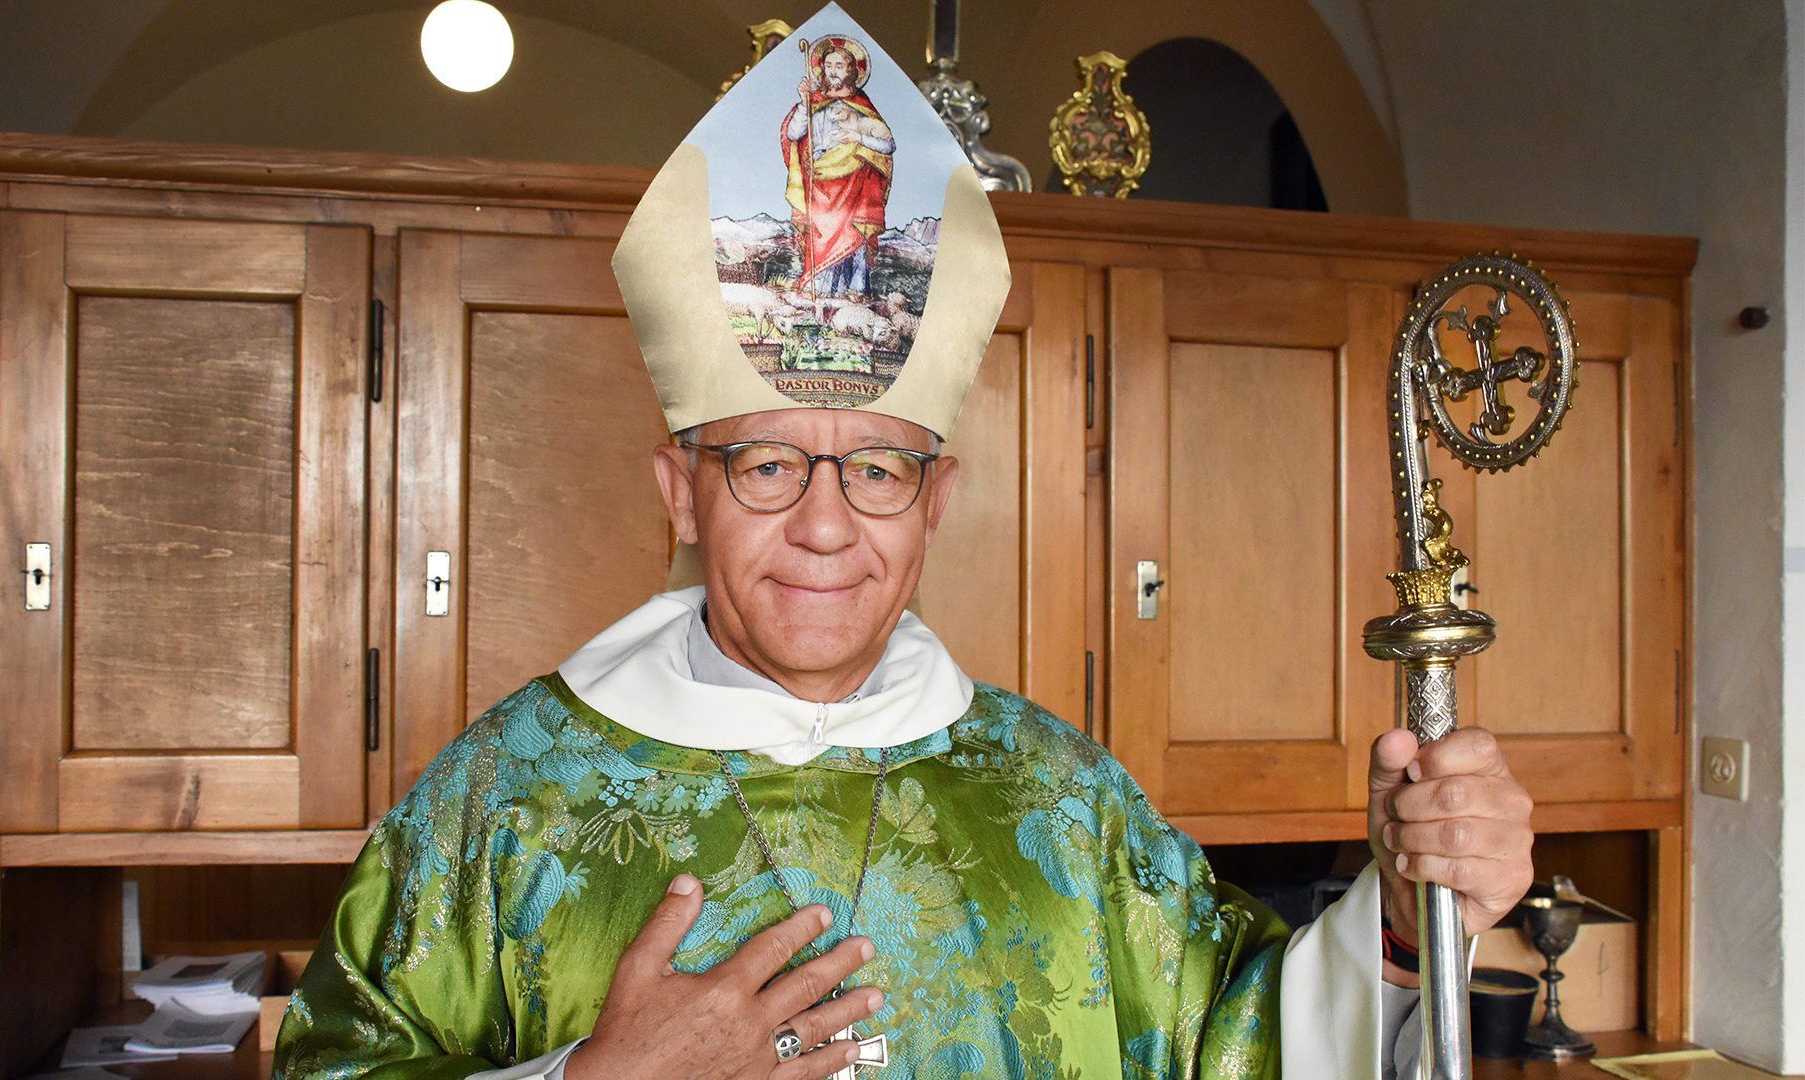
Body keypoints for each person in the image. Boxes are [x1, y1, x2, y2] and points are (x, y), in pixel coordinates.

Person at [273, 7, 1533, 1079]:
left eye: (877, 467)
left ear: (934, 505)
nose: (825, 526)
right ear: (679, 491)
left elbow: (1242, 1047)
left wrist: (1414, 920)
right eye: (766, 463)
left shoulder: (1063, 802)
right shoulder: (502, 801)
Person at [782, 36, 892, 298]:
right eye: (829, 65)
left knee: (855, 235)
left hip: (854, 181)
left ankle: (856, 289)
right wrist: (803, 102)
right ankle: (819, 287)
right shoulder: (814, 101)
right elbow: (795, 133)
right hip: (820, 180)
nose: (833, 71)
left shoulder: (863, 107)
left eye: (839, 66)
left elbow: (888, 145)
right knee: (821, 235)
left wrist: (859, 138)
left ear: (852, 70)